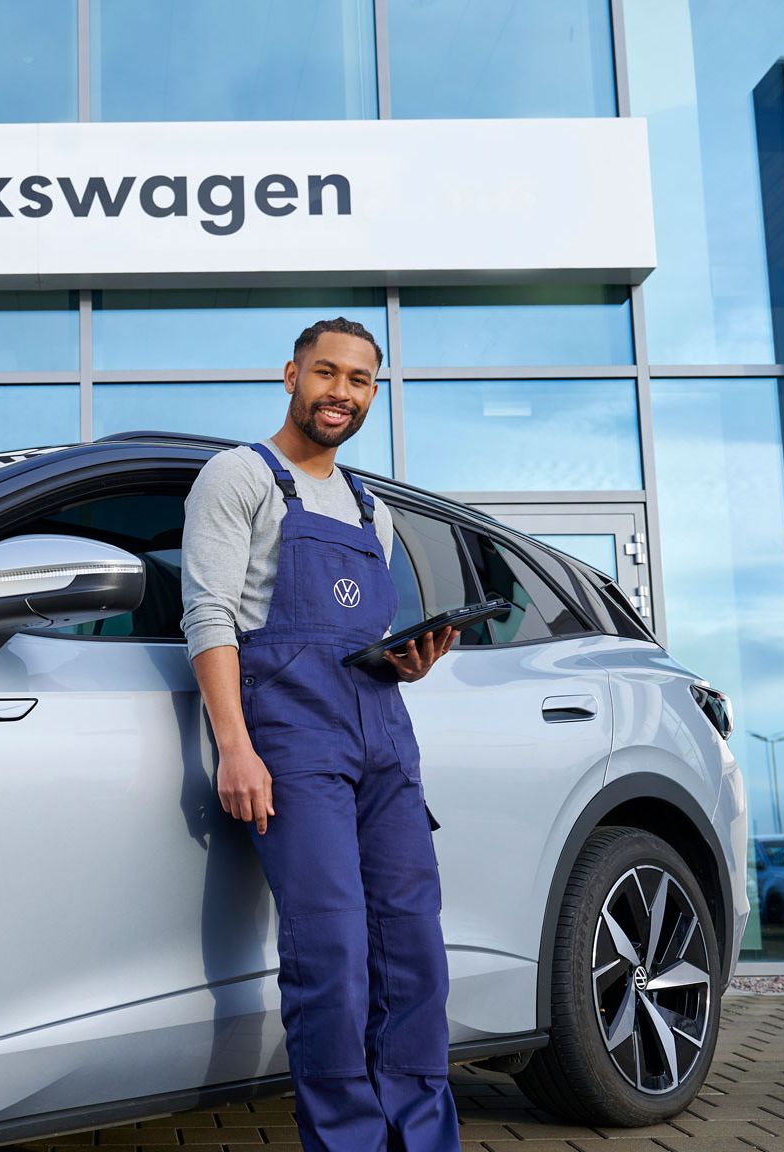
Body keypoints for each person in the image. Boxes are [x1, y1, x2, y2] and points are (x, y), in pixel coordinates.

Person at [178, 317, 461, 1152]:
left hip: (383, 737)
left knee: (414, 951)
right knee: (331, 955)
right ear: (292, 375)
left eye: (360, 380)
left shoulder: (372, 509)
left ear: (375, 392)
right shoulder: (239, 477)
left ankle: (423, 1136)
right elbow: (211, 615)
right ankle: (347, 1139)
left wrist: (407, 664)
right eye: (326, 374)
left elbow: (356, 637)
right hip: (293, 743)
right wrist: (235, 745)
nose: (341, 392)